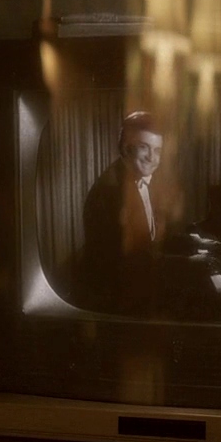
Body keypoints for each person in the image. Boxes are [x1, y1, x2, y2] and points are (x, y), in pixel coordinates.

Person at [79, 111, 168, 313]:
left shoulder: (142, 177)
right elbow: (115, 267)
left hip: (139, 288)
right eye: (144, 147)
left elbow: (151, 239)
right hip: (116, 301)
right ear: (126, 148)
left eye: (157, 150)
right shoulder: (108, 192)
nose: (152, 158)